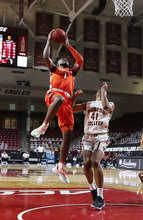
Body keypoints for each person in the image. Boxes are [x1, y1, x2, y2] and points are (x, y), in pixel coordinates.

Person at [31, 30, 84, 184]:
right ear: (59, 63)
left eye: (66, 58)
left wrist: (68, 45)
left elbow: (80, 59)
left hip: (66, 103)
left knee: (68, 136)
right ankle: (44, 126)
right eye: (62, 58)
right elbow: (45, 57)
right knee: (60, 98)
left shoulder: (72, 73)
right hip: (54, 96)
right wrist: (48, 39)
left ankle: (60, 166)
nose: (65, 58)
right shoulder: (55, 70)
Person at [72, 82, 115, 210]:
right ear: (96, 95)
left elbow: (106, 106)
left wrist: (104, 91)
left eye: (103, 94)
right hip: (88, 137)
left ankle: (100, 196)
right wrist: (74, 96)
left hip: (101, 137)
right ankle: (92, 189)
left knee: (95, 162)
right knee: (86, 164)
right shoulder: (88, 104)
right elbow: (72, 108)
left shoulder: (111, 104)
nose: (101, 95)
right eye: (100, 93)